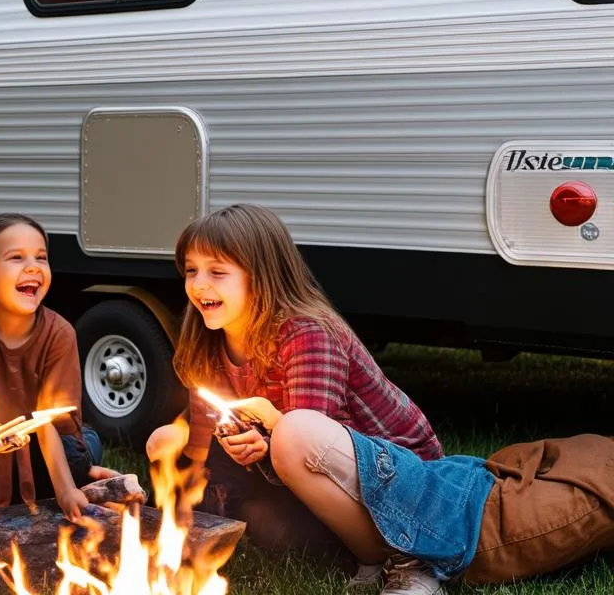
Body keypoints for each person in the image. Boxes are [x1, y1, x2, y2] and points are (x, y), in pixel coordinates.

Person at [146, 203, 441, 564]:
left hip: (393, 479)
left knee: (271, 523)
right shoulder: (209, 339)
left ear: (262, 275)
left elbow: (309, 445)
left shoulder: (307, 335)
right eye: (191, 271)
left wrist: (265, 446)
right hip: (292, 467)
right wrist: (177, 501)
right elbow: (200, 444)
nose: (198, 284)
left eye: (217, 272)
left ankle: (383, 555)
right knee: (163, 441)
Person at [266, 408, 614, 595]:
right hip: (449, 477)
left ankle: (415, 557)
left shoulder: (311, 335)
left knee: (296, 430)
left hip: (444, 495)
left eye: (218, 276)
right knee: (293, 434)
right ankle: (397, 556)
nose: (207, 285)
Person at [0, 213, 105, 521]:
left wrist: (65, 491)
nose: (33, 266)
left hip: (52, 443)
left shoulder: (59, 334)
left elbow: (48, 420)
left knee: (78, 453)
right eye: (16, 258)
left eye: (41, 257)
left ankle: (82, 472)